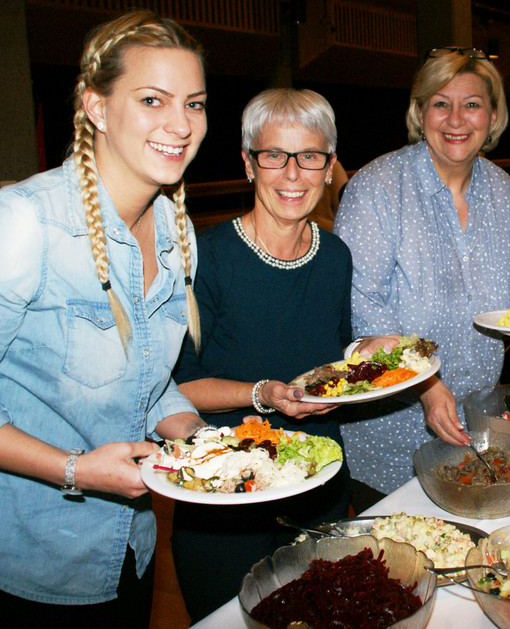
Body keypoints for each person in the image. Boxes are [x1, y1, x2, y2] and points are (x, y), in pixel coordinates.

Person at [0, 10, 208, 625]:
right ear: (96, 106)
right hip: (19, 564)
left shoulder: (176, 231)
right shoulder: (23, 224)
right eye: (152, 100)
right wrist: (75, 471)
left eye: (195, 104)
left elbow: (144, 380)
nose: (180, 125)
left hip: (128, 554)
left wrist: (207, 442)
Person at [334, 47, 510, 505]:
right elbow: (361, 309)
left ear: (493, 116)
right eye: (440, 103)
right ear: (419, 112)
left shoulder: (508, 197)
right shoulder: (377, 188)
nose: (455, 119)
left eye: (471, 104)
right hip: (390, 439)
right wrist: (426, 383)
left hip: (480, 434)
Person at [170, 88, 352, 622]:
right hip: (226, 497)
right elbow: (177, 386)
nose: (293, 173)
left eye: (310, 156)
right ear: (248, 164)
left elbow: (334, 362)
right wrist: (263, 394)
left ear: (329, 167)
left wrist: (366, 358)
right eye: (274, 155)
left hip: (318, 488)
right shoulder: (203, 258)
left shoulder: (335, 256)